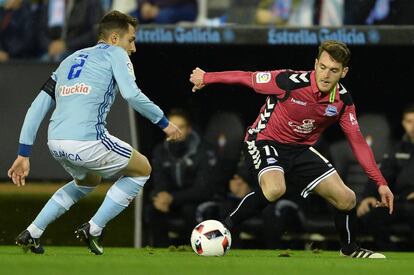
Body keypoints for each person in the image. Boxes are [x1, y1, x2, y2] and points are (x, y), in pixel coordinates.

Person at [189, 40, 394, 258]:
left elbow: (358, 142)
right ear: (315, 64)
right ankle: (223, 228)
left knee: (347, 199)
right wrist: (207, 77)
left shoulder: (343, 101)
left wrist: (381, 183)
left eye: (333, 70)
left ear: (344, 72)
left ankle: (349, 249)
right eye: (322, 67)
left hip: (299, 149)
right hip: (264, 140)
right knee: (276, 188)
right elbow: (246, 77)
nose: (325, 75)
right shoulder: (288, 81)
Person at [8, 10, 182, 255]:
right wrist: (163, 122)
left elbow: (37, 107)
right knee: (142, 169)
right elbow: (131, 94)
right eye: (130, 40)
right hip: (87, 141)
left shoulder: (69, 59)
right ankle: (94, 228)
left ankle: (32, 232)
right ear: (113, 38)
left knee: (88, 180)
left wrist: (23, 153)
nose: (133, 48)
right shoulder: (116, 54)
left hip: (56, 142)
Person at [146, 108, 217, 247]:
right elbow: (159, 182)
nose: (176, 131)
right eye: (171, 126)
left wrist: (172, 198)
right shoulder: (160, 150)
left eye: (181, 127)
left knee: (189, 209)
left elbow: (204, 190)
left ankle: (194, 248)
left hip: (196, 201)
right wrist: (161, 196)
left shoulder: (203, 150)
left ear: (189, 129)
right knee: (154, 208)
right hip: (172, 201)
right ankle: (160, 252)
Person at [357, 103, 414, 250]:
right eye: (409, 121)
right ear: (403, 123)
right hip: (400, 202)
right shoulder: (397, 150)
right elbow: (382, 174)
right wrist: (368, 196)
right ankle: (390, 253)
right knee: (373, 216)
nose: (413, 126)